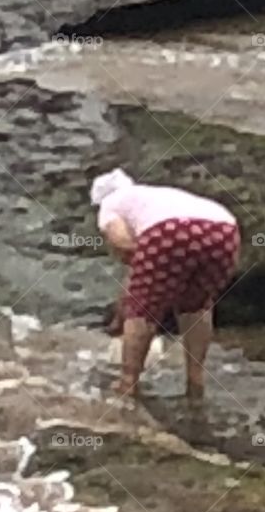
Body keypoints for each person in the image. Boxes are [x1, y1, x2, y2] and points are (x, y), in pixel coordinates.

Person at [91, 168, 240, 398]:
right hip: (225, 230)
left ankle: (128, 384)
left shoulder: (110, 204)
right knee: (196, 305)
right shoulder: (155, 196)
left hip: (171, 231)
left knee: (143, 309)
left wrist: (126, 314)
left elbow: (123, 243)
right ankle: (195, 380)